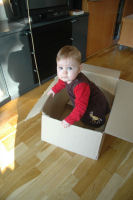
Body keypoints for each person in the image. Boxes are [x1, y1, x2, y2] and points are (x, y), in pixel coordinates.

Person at [48, 45, 110, 128]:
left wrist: (69, 119)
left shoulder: (80, 86)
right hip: (85, 100)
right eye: (60, 68)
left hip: (94, 105)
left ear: (79, 69)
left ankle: (98, 124)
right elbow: (61, 83)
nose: (64, 73)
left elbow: (80, 107)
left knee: (91, 119)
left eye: (69, 68)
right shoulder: (67, 78)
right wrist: (54, 90)